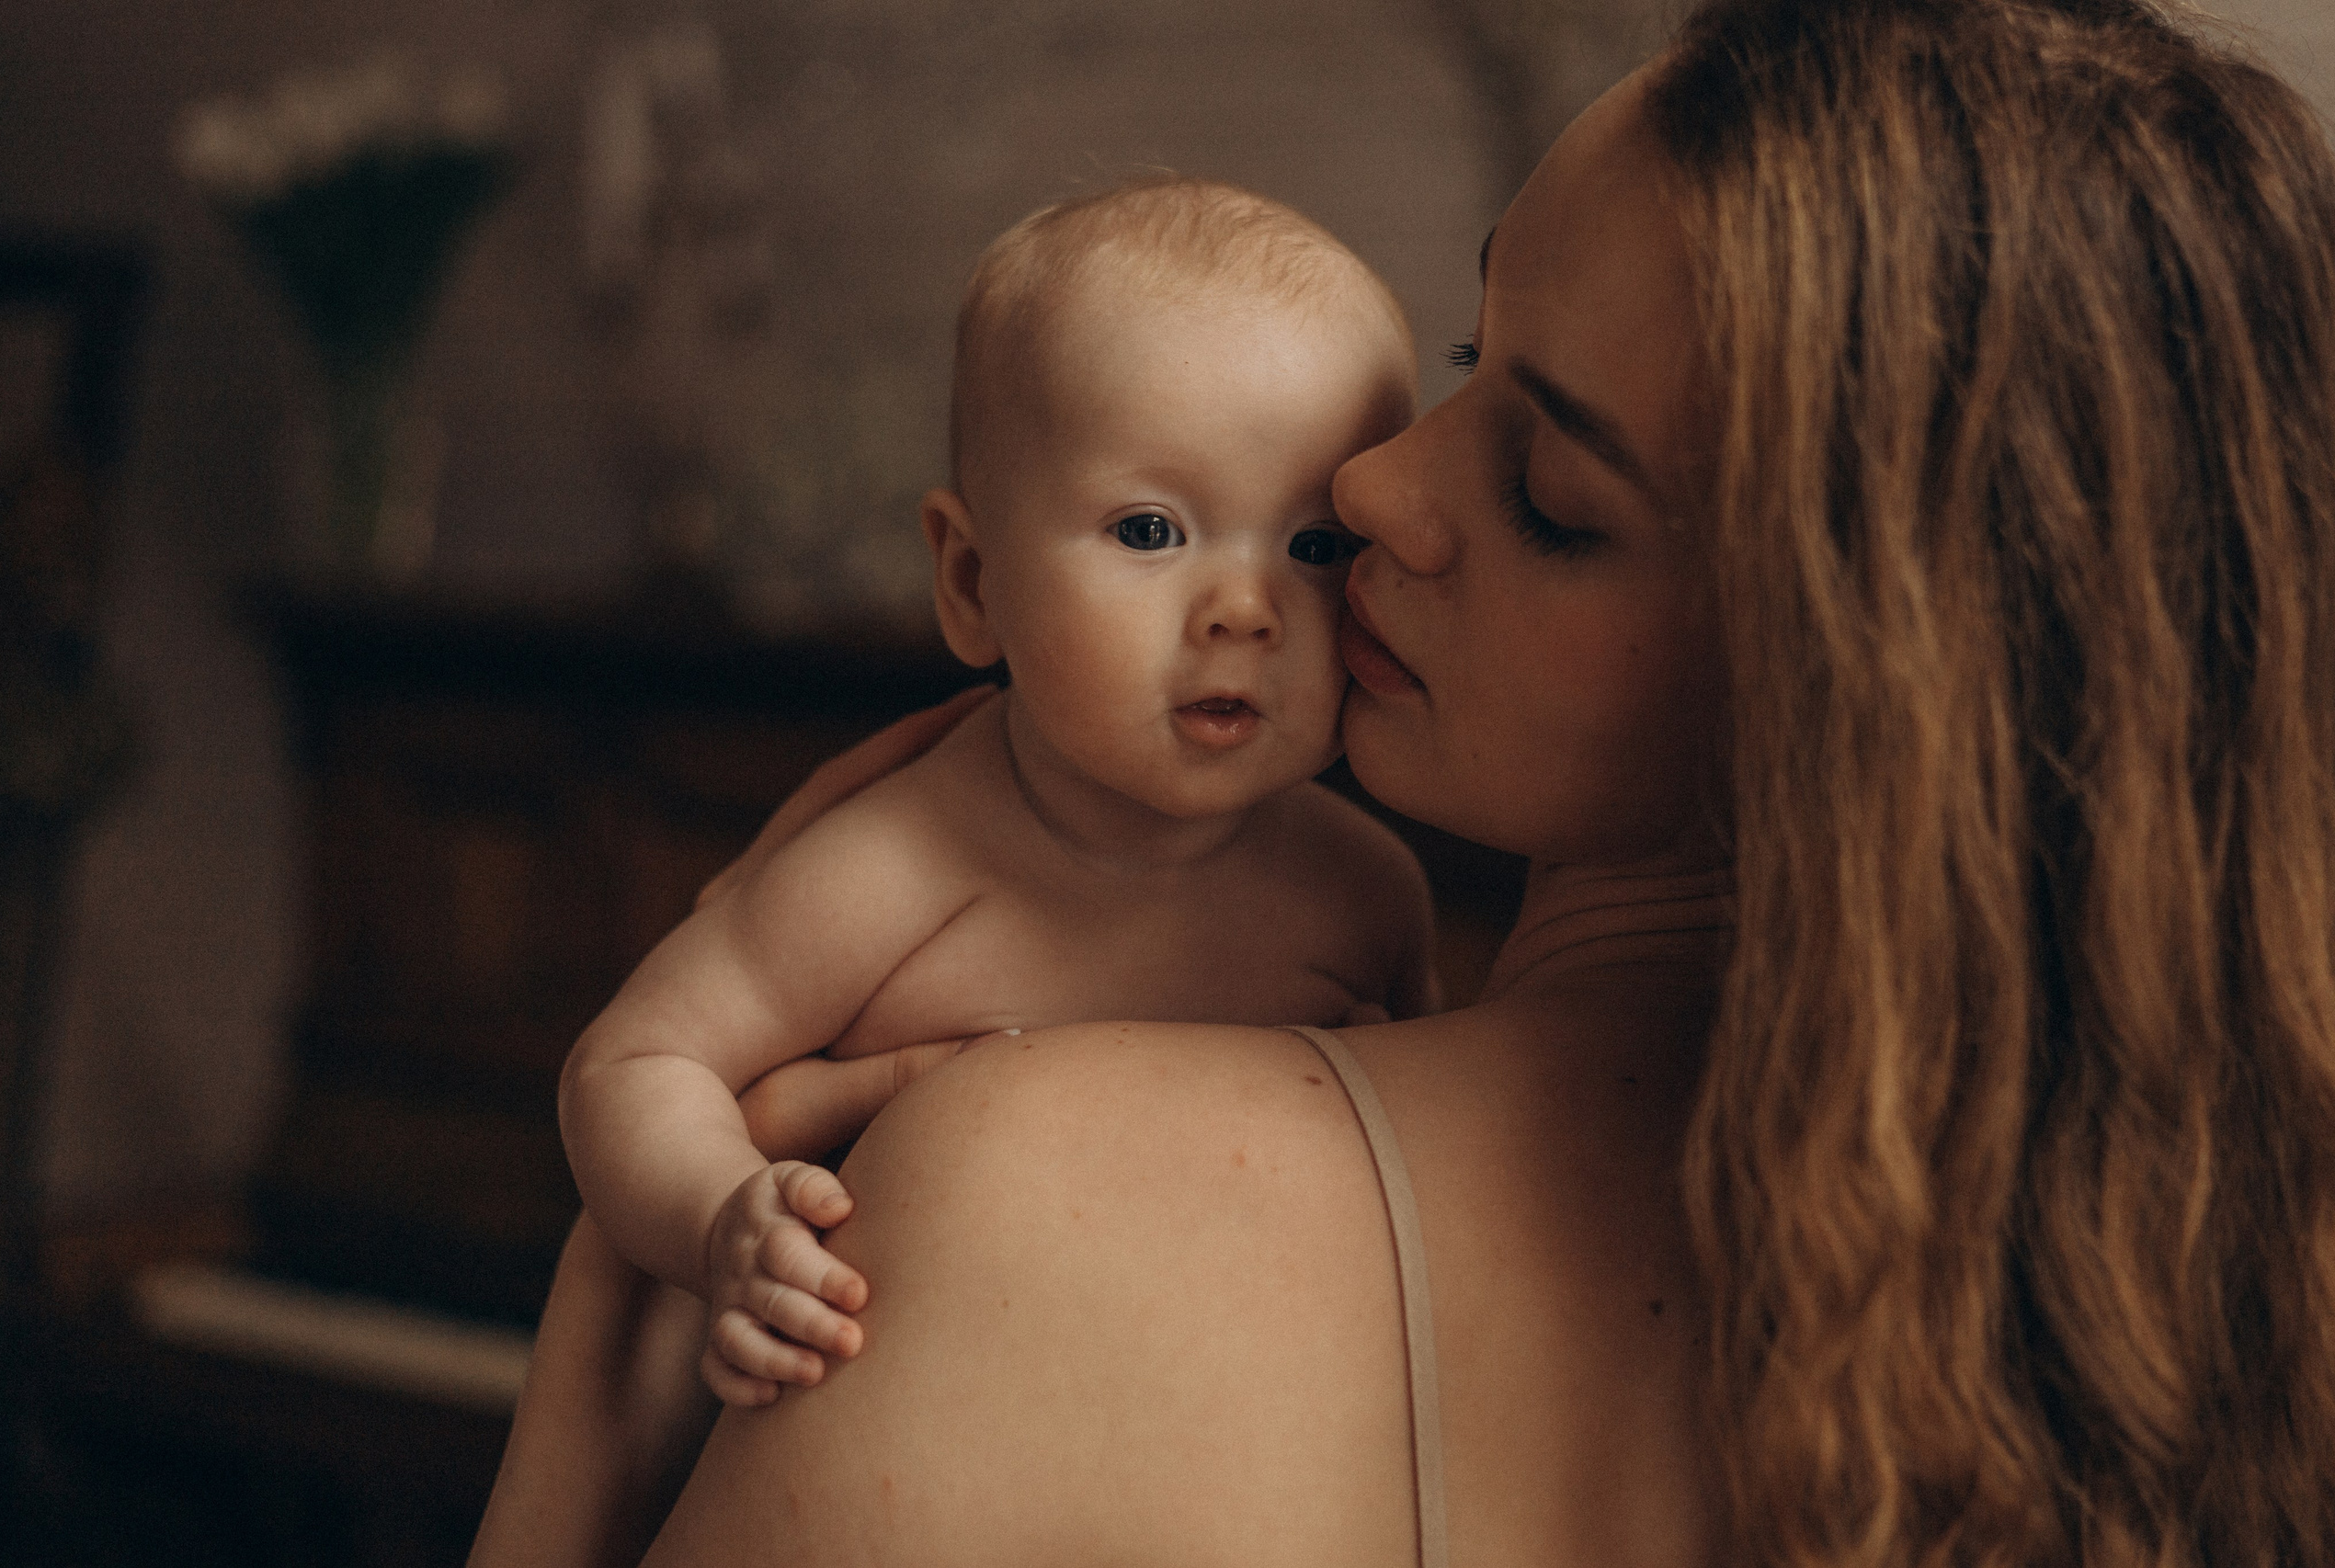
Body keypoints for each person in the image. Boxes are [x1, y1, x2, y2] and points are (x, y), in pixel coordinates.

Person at [488, 0, 2335, 1562]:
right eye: (1465, 363)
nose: (1365, 492)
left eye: (1547, 493)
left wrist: (599, 1339)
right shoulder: (2196, 1334)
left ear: (1859, 686)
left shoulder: (1014, 1186)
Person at [559, 178, 1435, 1403]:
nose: (1246, 608)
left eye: (1315, 545)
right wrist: (722, 1217)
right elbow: (633, 1063)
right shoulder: (898, 869)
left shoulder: (1365, 895)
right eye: (1148, 531)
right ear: (973, 580)